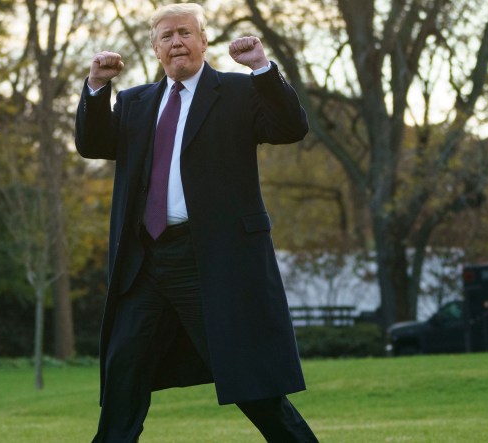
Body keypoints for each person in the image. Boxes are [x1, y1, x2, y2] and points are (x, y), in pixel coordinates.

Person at [75, 3, 318, 442]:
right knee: (122, 378)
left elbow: (290, 126)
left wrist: (262, 67)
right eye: (166, 37)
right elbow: (93, 144)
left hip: (209, 261)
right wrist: (96, 87)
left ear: (203, 41)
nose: (176, 43)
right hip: (144, 264)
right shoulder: (134, 102)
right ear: (155, 49)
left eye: (185, 33)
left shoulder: (238, 93)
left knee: (252, 384)